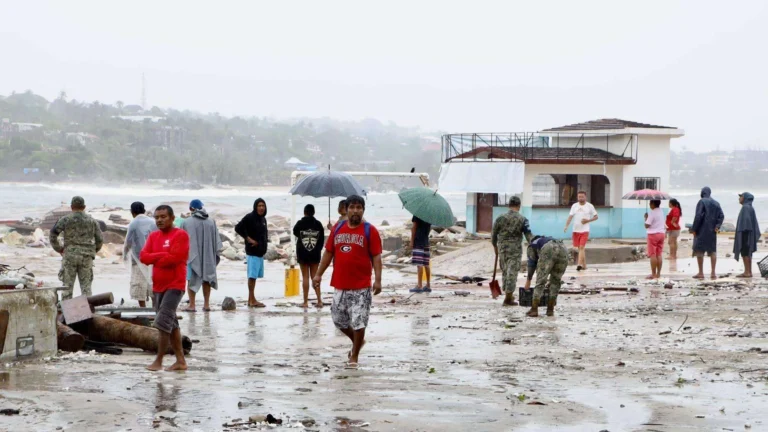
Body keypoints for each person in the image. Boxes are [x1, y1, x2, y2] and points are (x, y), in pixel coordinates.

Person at [313, 195, 382, 369]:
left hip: (362, 285)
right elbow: (328, 253)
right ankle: (358, 341)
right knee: (338, 320)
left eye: (359, 208)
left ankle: (354, 355)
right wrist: (318, 275)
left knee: (359, 322)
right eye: (352, 207)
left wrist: (378, 280)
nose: (355, 211)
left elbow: (376, 256)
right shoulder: (338, 228)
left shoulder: (370, 230)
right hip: (340, 284)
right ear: (346, 209)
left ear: (363, 210)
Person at [140, 205, 189, 371]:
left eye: (163, 217)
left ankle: (159, 360)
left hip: (175, 285)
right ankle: (180, 361)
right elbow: (143, 257)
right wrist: (162, 255)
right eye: (157, 217)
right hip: (158, 286)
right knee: (172, 324)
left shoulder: (180, 235)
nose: (159, 220)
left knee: (162, 322)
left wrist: (155, 258)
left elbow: (175, 258)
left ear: (172, 218)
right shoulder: (153, 236)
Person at [50, 196, 104, 301]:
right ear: (84, 207)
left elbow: (53, 234)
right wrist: (93, 251)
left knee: (67, 288)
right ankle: (88, 309)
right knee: (86, 288)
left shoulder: (65, 219)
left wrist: (59, 249)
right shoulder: (92, 221)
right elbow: (100, 239)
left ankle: (67, 310)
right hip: (86, 257)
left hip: (70, 256)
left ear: (71, 207)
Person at [181, 199, 222, 312]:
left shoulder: (186, 222)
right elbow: (217, 242)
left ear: (191, 208)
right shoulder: (211, 221)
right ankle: (206, 305)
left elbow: (180, 241)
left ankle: (192, 305)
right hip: (208, 256)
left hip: (192, 256)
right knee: (207, 279)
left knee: (191, 279)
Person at [491, 196, 533, 306]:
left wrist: (495, 248)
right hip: (515, 250)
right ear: (519, 206)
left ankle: (508, 294)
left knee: (505, 271)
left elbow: (493, 235)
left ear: (509, 205)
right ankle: (508, 298)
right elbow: (529, 236)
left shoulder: (500, 218)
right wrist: (534, 245)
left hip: (502, 249)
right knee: (512, 273)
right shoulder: (523, 219)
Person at [235, 198, 269, 308]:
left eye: (263, 206)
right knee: (252, 277)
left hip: (260, 252)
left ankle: (250, 299)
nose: (261, 208)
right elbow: (238, 228)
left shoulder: (263, 219)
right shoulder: (250, 217)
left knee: (254, 277)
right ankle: (252, 299)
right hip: (252, 252)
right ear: (255, 207)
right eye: (259, 206)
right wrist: (249, 239)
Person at [525, 235, 568, 317]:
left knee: (541, 280)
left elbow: (531, 263)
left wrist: (528, 280)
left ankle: (534, 309)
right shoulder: (545, 240)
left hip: (549, 248)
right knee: (556, 281)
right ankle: (550, 310)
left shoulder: (532, 245)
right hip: (563, 249)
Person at [123, 201, 156, 307]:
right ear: (144, 210)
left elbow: (128, 242)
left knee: (139, 284)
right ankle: (155, 307)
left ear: (132, 212)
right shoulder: (153, 222)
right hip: (153, 258)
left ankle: (143, 308)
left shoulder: (133, 223)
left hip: (138, 259)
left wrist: (125, 254)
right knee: (153, 283)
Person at [293, 204, 325, 308]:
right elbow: (321, 240)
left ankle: (305, 302)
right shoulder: (318, 224)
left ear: (304, 212)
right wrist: (318, 250)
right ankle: (319, 300)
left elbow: (295, 232)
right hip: (314, 253)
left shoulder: (300, 223)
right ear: (313, 212)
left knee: (305, 277)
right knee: (315, 276)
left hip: (302, 252)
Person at [690, 187, 724, 279]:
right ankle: (713, 273)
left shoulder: (702, 202)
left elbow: (698, 216)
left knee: (699, 251)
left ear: (702, 193)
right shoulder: (716, 203)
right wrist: (717, 226)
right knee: (712, 251)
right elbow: (721, 216)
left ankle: (701, 273)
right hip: (712, 231)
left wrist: (694, 229)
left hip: (701, 230)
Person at [563, 191, 598, 271]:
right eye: (579, 197)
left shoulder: (589, 206)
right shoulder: (574, 206)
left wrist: (588, 220)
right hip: (576, 230)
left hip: (585, 230)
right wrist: (566, 226)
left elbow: (596, 217)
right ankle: (584, 266)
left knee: (581, 247)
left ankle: (579, 264)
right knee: (580, 248)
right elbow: (570, 217)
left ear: (585, 197)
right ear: (577, 197)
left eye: (582, 197)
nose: (581, 198)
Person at [734, 192, 760, 278]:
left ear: (745, 198)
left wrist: (743, 232)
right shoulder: (750, 207)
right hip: (749, 233)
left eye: (741, 196)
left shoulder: (745, 207)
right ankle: (749, 271)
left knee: (744, 252)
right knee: (748, 253)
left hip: (745, 233)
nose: (739, 198)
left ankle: (747, 272)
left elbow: (746, 221)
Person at [409, 216, 432, 294]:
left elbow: (414, 228)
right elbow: (428, 229)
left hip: (418, 241)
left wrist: (412, 241)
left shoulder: (417, 215)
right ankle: (428, 285)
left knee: (419, 264)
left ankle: (419, 285)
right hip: (426, 241)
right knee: (426, 264)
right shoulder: (430, 215)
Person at [644, 199, 666, 279]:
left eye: (650, 203)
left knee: (652, 254)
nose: (649, 204)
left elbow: (647, 225)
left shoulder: (652, 213)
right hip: (661, 234)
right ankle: (658, 274)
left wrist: (646, 218)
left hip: (653, 235)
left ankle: (653, 274)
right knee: (659, 254)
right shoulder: (661, 211)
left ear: (653, 203)